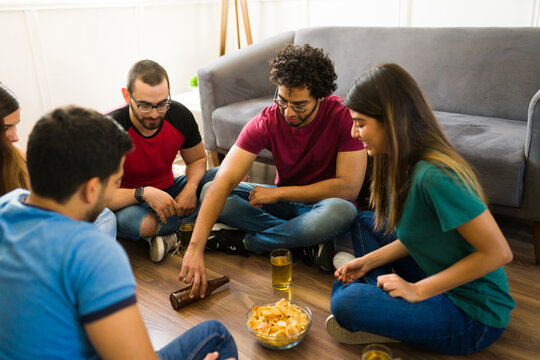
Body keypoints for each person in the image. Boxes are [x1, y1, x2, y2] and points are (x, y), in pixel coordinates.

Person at [0, 105, 238, 360]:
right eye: (114, 184)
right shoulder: (93, 253)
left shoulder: (7, 206)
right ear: (92, 189)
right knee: (217, 336)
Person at [326, 63, 515, 355]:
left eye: (360, 123)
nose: (353, 133)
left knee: (344, 303)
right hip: (434, 270)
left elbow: (499, 253)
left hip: (471, 313)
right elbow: (420, 235)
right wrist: (367, 262)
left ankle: (381, 305)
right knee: (364, 222)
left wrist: (417, 290)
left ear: (390, 121)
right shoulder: (398, 161)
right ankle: (384, 297)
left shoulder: (435, 175)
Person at [180, 44, 367, 297]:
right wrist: (194, 248)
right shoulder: (267, 120)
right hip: (286, 204)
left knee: (342, 211)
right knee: (210, 192)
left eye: (299, 105)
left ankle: (246, 242)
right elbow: (224, 180)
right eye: (282, 100)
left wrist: (279, 194)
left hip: (325, 205)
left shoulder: (343, 115)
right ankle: (303, 244)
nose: (288, 112)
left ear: (320, 97)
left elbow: (349, 187)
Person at [107, 60, 217, 262]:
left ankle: (173, 234)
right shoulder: (109, 129)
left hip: (171, 189)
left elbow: (198, 159)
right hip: (131, 202)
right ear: (126, 96)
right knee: (134, 222)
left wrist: (190, 189)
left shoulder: (178, 114)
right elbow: (99, 197)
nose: (155, 114)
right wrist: (144, 193)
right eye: (145, 106)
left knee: (225, 176)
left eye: (162, 104)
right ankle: (207, 223)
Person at [0, 82, 117, 237]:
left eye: (16, 126)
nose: (16, 137)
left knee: (104, 216)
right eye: (7, 128)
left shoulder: (15, 153)